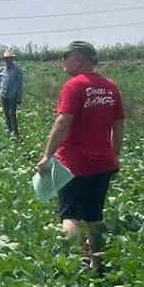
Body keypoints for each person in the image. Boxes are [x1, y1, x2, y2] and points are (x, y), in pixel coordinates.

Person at [36, 41, 123, 274]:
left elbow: (63, 122)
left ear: (79, 57)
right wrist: (115, 155)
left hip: (73, 165)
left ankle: (72, 267)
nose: (63, 61)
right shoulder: (110, 87)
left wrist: (47, 156)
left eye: (66, 56)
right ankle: (97, 265)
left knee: (70, 215)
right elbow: (118, 125)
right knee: (94, 215)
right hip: (103, 163)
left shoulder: (75, 86)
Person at [0, 49, 23, 138]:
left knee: (12, 114)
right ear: (4, 60)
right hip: (3, 95)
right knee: (6, 114)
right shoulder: (2, 69)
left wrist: (19, 97)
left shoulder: (17, 70)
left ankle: (16, 134)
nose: (8, 60)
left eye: (9, 58)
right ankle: (10, 131)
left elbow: (19, 85)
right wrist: (0, 83)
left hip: (13, 95)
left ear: (12, 59)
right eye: (6, 59)